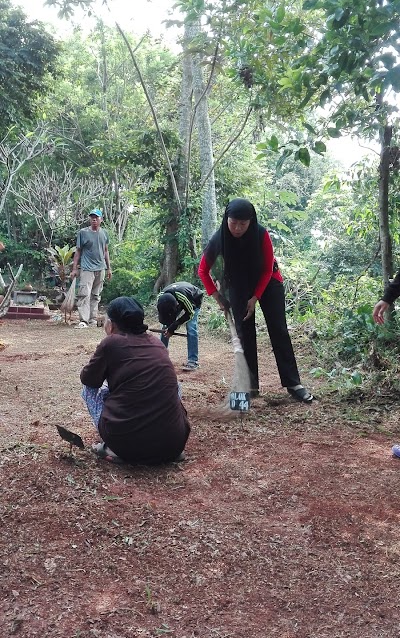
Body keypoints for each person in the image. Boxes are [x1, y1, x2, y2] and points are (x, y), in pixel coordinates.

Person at [198, 198, 313, 402]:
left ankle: (293, 384)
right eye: (233, 222)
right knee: (245, 335)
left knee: (278, 330)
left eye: (243, 224)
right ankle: (250, 387)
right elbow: (203, 270)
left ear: (251, 221)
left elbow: (268, 269)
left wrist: (256, 297)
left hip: (268, 282)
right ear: (226, 219)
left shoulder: (261, 234)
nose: (237, 228)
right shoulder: (219, 238)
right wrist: (217, 297)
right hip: (239, 285)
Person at [80, 296, 190, 465]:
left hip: (125, 445)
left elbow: (88, 380)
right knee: (174, 385)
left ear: (111, 324)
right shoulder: (157, 343)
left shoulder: (110, 343)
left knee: (88, 389)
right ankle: (162, 444)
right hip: (174, 444)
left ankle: (112, 448)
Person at [71, 208, 112, 329]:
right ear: (90, 219)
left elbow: (105, 251)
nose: (94, 219)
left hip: (101, 268)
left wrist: (109, 268)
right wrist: (74, 269)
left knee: (96, 295)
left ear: (101, 219)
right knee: (84, 294)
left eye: (97, 217)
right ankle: (83, 320)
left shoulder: (104, 233)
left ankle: (92, 319)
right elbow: (78, 251)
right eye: (92, 217)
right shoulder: (83, 233)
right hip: (87, 268)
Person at [157, 282, 204, 371]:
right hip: (176, 300)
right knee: (164, 327)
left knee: (191, 328)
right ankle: (161, 357)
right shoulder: (160, 298)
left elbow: (190, 313)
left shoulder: (183, 298)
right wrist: (168, 327)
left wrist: (173, 327)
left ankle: (193, 361)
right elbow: (163, 316)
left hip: (194, 299)